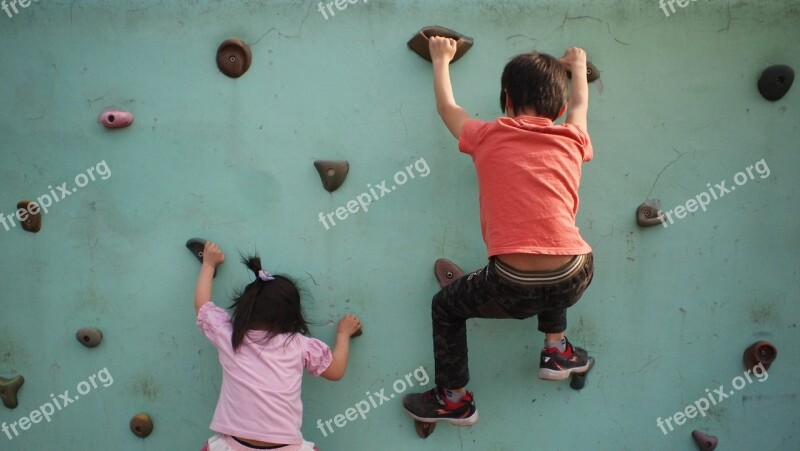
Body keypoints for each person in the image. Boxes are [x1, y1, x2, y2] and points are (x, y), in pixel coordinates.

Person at [403, 38, 596, 426]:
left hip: (511, 283)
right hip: (576, 272)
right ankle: (556, 348)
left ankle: (454, 399)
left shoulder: (487, 134)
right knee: (553, 245)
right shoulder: (573, 138)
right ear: (557, 110)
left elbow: (448, 108)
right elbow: (580, 106)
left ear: (506, 99)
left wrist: (441, 60)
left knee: (446, 308)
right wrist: (578, 64)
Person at [195, 241, 362, 450]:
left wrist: (208, 265)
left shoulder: (229, 336)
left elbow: (203, 306)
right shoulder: (299, 344)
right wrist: (343, 334)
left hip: (234, 445)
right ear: (292, 314)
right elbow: (336, 370)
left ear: (245, 307)